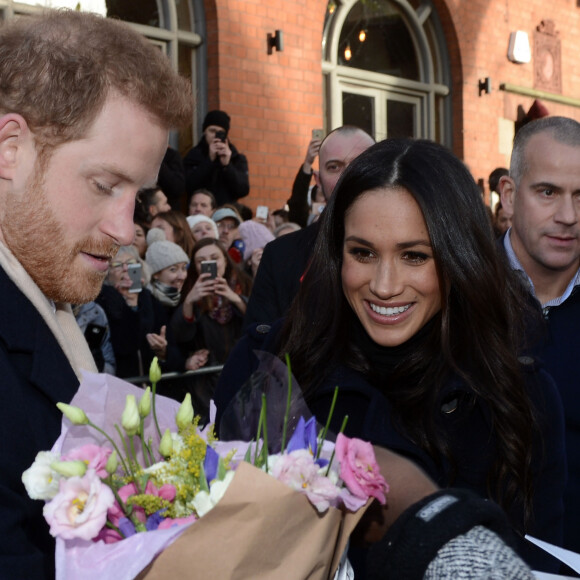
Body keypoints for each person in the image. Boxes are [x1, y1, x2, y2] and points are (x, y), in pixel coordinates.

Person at [216, 138, 566, 574]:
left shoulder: (519, 394)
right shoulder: (268, 364)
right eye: (362, 253)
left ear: (461, 259)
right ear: (335, 253)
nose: (384, 285)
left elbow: (542, 560)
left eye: (414, 256)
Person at [0, 10, 191, 577]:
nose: (126, 228)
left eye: (136, 193)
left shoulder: (47, 304)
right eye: (104, 186)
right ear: (10, 147)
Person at [499, 116, 580, 554]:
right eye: (548, 192)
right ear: (509, 197)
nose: (567, 217)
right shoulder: (455, 294)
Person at [244, 126, 375, 326]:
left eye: (359, 164)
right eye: (334, 167)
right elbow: (260, 347)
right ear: (318, 180)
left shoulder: (411, 249)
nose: (347, 175)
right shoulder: (279, 256)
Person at [170, 237, 252, 421]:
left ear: (225, 260)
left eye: (215, 257)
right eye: (201, 261)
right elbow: (180, 336)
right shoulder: (190, 291)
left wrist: (235, 299)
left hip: (242, 376)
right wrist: (190, 301)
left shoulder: (245, 284)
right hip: (205, 384)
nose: (210, 263)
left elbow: (260, 323)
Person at [183, 110, 250, 205]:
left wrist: (227, 166)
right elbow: (188, 186)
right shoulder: (193, 155)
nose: (215, 136)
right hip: (201, 212)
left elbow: (243, 190)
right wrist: (209, 160)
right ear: (204, 131)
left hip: (226, 213)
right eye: (212, 131)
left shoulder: (236, 158)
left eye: (220, 133)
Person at [287, 135, 322, 227]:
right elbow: (298, 200)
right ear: (313, 201)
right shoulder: (305, 221)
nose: (327, 199)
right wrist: (308, 163)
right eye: (322, 195)